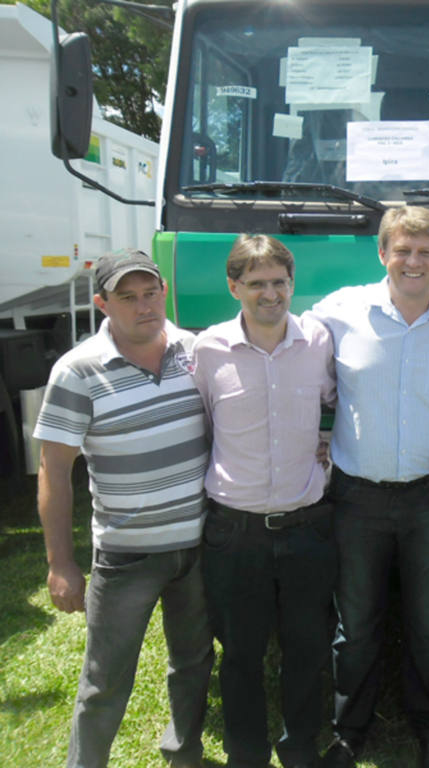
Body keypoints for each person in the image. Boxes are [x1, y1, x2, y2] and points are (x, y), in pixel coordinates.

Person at [310, 207, 429, 768]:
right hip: (356, 497)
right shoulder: (339, 312)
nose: (414, 262)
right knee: (355, 626)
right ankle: (348, 730)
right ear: (382, 253)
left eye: (425, 252)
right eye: (403, 250)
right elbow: (285, 351)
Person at [34, 249, 214, 768]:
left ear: (164, 292)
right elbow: (54, 472)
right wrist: (61, 564)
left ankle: (184, 754)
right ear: (102, 304)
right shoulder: (77, 371)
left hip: (198, 546)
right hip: (126, 556)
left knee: (195, 663)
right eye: (127, 298)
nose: (144, 307)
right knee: (105, 679)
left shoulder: (194, 350)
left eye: (151, 293)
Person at [191, 235, 337, 768]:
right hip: (236, 531)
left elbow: (344, 400)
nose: (270, 294)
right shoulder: (206, 350)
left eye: (279, 282)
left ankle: (300, 748)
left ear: (292, 284)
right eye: (256, 284)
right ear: (234, 287)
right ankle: (246, 754)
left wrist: (328, 442)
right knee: (242, 655)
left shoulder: (319, 340)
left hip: (307, 527)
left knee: (305, 650)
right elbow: (202, 423)